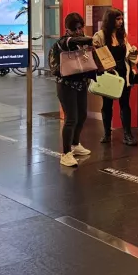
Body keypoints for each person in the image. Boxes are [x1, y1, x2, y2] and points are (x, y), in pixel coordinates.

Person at [50, 12, 95, 167]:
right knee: (71, 118)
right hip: (66, 85)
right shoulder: (64, 42)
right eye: (74, 29)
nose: (78, 31)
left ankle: (75, 145)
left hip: (81, 83)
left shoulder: (82, 41)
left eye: (80, 28)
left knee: (82, 115)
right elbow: (74, 41)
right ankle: (66, 153)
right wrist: (92, 39)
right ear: (67, 29)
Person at [93, 8, 138, 146]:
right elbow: (95, 54)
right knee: (107, 104)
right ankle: (107, 133)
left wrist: (133, 52)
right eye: (117, 19)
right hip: (108, 74)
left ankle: (127, 134)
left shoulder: (121, 35)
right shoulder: (100, 35)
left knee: (125, 104)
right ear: (110, 20)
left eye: (121, 18)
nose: (121, 21)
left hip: (122, 73)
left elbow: (128, 55)